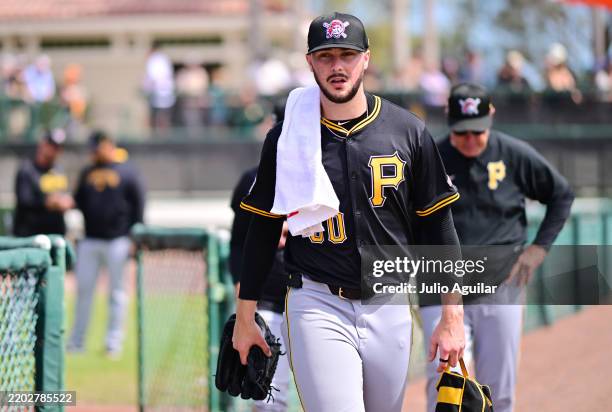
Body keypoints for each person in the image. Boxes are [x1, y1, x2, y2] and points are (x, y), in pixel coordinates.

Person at [232, 12, 465, 412]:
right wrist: (244, 315)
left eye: (347, 54)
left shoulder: (407, 131)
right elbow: (263, 230)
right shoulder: (287, 137)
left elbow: (439, 227)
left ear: (366, 59)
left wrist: (452, 316)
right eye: (325, 56)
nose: (337, 66)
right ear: (309, 62)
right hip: (318, 301)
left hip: (389, 300)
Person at [420, 83, 574, 412]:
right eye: (463, 132)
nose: (471, 139)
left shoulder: (513, 153)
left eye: (478, 130)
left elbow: (561, 195)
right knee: (442, 390)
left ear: (491, 116)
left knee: (498, 393)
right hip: (441, 286)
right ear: (448, 118)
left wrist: (538, 248)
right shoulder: (432, 157)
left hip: (500, 286)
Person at [68, 130, 145, 357]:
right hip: (90, 240)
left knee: (117, 293)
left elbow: (139, 205)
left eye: (97, 147)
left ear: (108, 145)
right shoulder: (87, 172)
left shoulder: (128, 171)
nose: (93, 152)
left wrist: (135, 237)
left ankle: (113, 342)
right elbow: (79, 201)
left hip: (118, 241)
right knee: (83, 291)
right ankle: (77, 341)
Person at [230, 167, 290, 412]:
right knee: (269, 396)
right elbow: (238, 240)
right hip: (267, 295)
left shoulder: (336, 169)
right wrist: (241, 285)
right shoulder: (254, 178)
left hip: (324, 296)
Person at [13, 128, 73, 236]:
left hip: (55, 234)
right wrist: (47, 202)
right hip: (31, 235)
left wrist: (66, 201)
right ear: (43, 144)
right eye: (51, 145)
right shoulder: (27, 169)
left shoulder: (58, 170)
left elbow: (65, 194)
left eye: (58, 147)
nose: (54, 150)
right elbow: (24, 201)